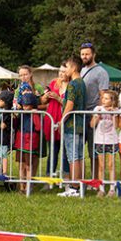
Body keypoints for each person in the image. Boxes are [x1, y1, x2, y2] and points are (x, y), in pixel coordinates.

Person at [58, 57, 86, 197]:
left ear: (73, 68)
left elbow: (69, 105)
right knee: (79, 156)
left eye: (67, 67)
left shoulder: (73, 84)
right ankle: (79, 186)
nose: (65, 70)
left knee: (73, 157)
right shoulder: (82, 83)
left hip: (71, 125)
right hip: (81, 124)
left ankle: (74, 188)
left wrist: (61, 121)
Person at [79, 43, 110, 174]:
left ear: (93, 55)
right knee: (79, 149)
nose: (84, 56)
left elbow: (103, 96)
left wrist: (97, 114)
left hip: (93, 115)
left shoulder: (101, 72)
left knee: (94, 150)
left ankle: (95, 178)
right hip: (80, 114)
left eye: (87, 54)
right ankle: (81, 178)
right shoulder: (81, 70)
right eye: (82, 54)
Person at [90, 89, 119, 197]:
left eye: (106, 98)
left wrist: (113, 114)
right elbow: (92, 125)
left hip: (111, 140)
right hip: (100, 139)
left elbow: (116, 126)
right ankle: (101, 188)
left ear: (112, 101)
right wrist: (97, 116)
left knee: (111, 164)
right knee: (101, 166)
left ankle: (112, 188)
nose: (103, 100)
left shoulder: (116, 110)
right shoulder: (98, 109)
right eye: (102, 98)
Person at [12, 92, 42, 190]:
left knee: (29, 166)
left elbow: (38, 127)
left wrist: (35, 115)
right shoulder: (21, 114)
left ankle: (28, 187)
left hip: (30, 143)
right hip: (20, 142)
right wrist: (15, 116)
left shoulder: (35, 114)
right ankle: (21, 186)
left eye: (27, 105)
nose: (25, 108)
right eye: (24, 105)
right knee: (21, 165)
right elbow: (15, 125)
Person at [43, 68, 66, 177]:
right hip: (52, 118)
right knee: (52, 151)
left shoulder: (71, 85)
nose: (61, 74)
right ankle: (49, 177)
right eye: (60, 71)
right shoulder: (53, 83)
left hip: (64, 120)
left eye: (64, 71)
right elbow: (43, 101)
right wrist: (45, 96)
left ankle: (67, 178)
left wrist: (58, 98)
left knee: (66, 152)